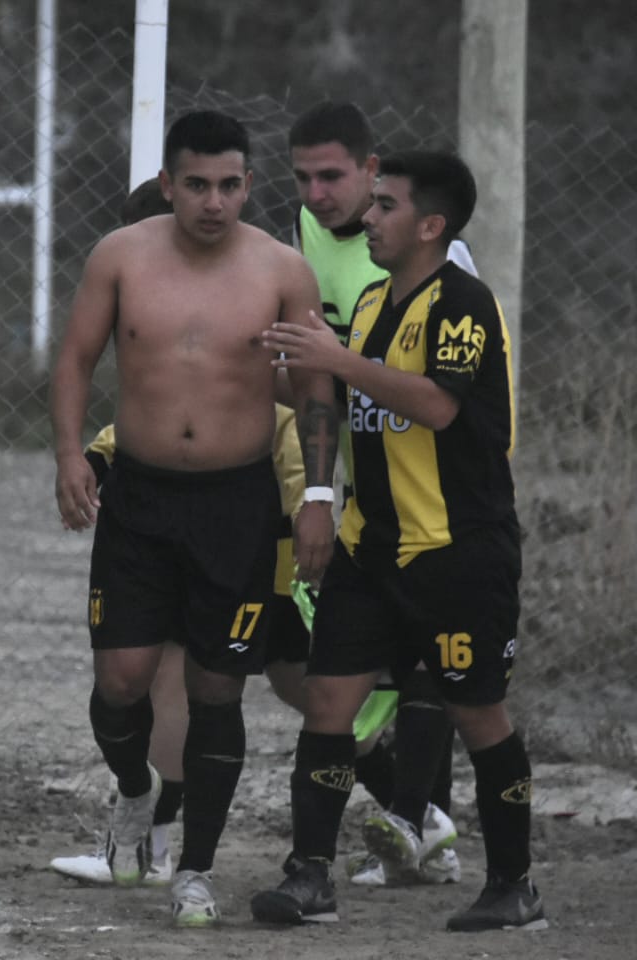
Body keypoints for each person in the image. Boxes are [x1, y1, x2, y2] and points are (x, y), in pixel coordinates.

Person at [50, 110, 339, 928]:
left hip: (236, 505)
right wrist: (69, 456)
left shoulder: (283, 270)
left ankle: (196, 869)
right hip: (139, 501)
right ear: (169, 183)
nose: (214, 201)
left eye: (230, 185)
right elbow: (76, 357)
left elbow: (315, 391)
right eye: (198, 184)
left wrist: (318, 498)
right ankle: (136, 793)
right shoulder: (120, 256)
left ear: (249, 185)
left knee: (218, 687)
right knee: (121, 680)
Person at [248, 151, 546, 933]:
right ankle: (310, 876)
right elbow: (342, 391)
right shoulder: (378, 300)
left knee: (478, 713)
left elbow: (439, 405)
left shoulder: (464, 303)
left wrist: (338, 359)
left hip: (457, 549)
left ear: (430, 225)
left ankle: (513, 886)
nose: (368, 217)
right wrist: (250, 361)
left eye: (385, 205)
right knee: (328, 702)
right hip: (369, 546)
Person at [290, 101, 478, 887]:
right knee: (332, 666)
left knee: (429, 664)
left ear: (372, 171)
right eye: (303, 178)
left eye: (333, 176)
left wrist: (336, 363)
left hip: (438, 498)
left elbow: (451, 396)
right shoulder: (299, 238)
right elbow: (316, 380)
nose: (317, 194)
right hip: (358, 490)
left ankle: (421, 827)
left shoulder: (438, 261)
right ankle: (411, 828)